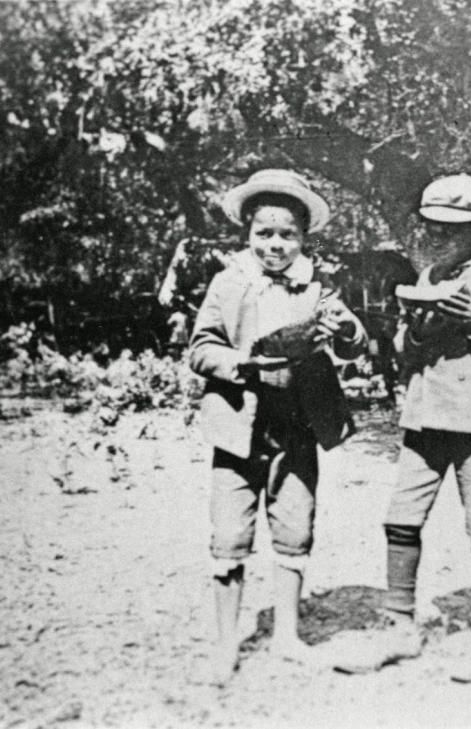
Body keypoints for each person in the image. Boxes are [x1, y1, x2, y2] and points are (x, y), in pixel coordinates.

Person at [332, 173, 471, 682]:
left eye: (455, 227)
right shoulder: (429, 274)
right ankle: (398, 624)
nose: (441, 235)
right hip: (426, 414)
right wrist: (415, 332)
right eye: (433, 226)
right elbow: (405, 350)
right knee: (400, 518)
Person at [189, 169, 368, 684]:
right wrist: (238, 362)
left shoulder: (317, 285)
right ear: (247, 234)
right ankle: (226, 644)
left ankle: (287, 635)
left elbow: (353, 340)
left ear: (303, 238)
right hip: (238, 424)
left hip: (296, 425)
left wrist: (347, 329)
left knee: (295, 526)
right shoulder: (228, 283)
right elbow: (201, 348)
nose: (275, 244)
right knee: (230, 533)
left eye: (287, 234)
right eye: (264, 233)